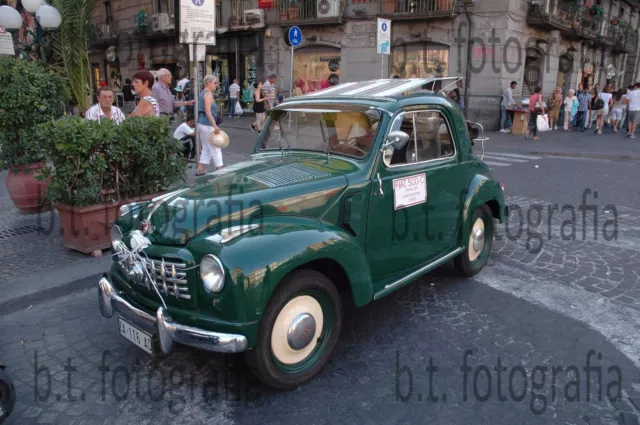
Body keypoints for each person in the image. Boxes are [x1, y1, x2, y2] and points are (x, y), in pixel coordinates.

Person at [196, 75, 223, 176]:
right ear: (208, 83)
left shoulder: (203, 93)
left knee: (207, 146)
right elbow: (208, 111)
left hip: (202, 122)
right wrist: (214, 125)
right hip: (207, 123)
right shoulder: (208, 94)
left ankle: (201, 168)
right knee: (215, 146)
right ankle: (220, 169)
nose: (216, 85)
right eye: (215, 83)